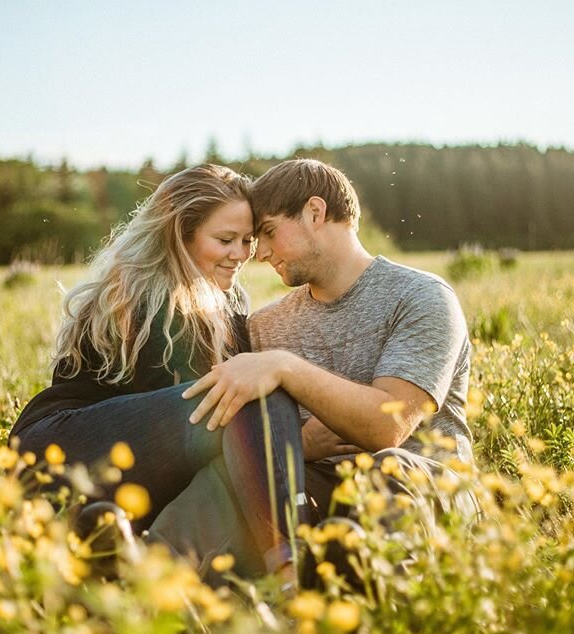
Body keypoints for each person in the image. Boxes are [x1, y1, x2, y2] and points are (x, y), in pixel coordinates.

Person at [9, 164, 306, 581]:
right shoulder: (138, 295)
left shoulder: (225, 299)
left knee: (247, 412)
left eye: (246, 240)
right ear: (180, 237)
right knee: (250, 398)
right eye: (224, 240)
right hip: (63, 448)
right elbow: (200, 430)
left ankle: (118, 551)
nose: (240, 254)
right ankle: (289, 573)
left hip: (129, 469)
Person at [174, 158, 476, 546]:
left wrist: (286, 368)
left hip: (426, 488)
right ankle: (137, 563)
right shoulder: (266, 325)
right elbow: (261, 438)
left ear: (315, 212)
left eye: (267, 232)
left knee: (388, 469)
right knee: (221, 483)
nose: (259, 252)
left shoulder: (421, 298)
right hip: (322, 494)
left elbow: (387, 428)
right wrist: (299, 445)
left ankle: (366, 590)